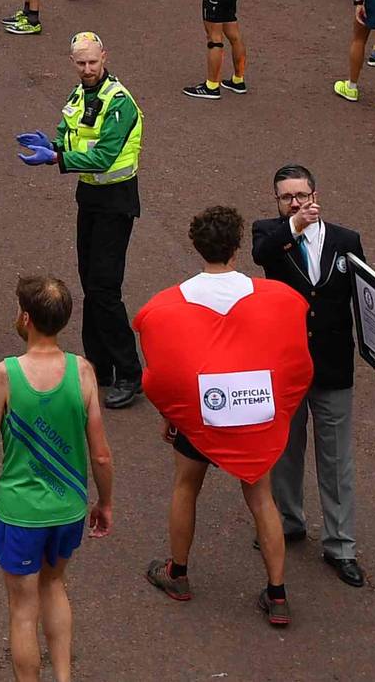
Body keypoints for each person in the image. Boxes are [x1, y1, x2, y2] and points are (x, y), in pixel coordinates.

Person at [138, 206, 298, 628]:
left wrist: (171, 413)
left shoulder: (171, 302)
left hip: (201, 412)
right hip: (253, 407)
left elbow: (163, 369)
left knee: (186, 487)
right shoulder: (271, 294)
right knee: (262, 498)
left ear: (196, 245)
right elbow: (292, 354)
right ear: (237, 245)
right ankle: (277, 594)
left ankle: (178, 573)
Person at [0, 274, 113, 682]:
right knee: (55, 586)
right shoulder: (84, 372)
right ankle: (63, 677)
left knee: (23, 610)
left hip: (21, 512)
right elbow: (102, 454)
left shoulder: (6, 375)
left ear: (25, 318)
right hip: (69, 507)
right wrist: (104, 502)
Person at [251, 165, 375, 587]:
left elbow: (365, 300)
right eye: (286, 197)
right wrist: (294, 225)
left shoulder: (346, 240)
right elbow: (262, 255)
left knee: (336, 456)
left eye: (301, 195)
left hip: (333, 364)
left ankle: (341, 545)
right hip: (286, 365)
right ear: (277, 201)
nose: (296, 202)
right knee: (286, 449)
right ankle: (289, 521)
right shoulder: (270, 234)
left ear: (315, 193)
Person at [28, 32, 145, 410]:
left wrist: (55, 159)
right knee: (91, 286)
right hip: (91, 198)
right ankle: (100, 367)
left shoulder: (119, 103)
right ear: (72, 62)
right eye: (81, 63)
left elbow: (106, 157)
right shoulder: (78, 95)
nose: (88, 69)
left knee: (105, 289)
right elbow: (69, 134)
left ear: (104, 57)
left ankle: (130, 373)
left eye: (93, 62)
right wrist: (53, 144)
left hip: (116, 201)